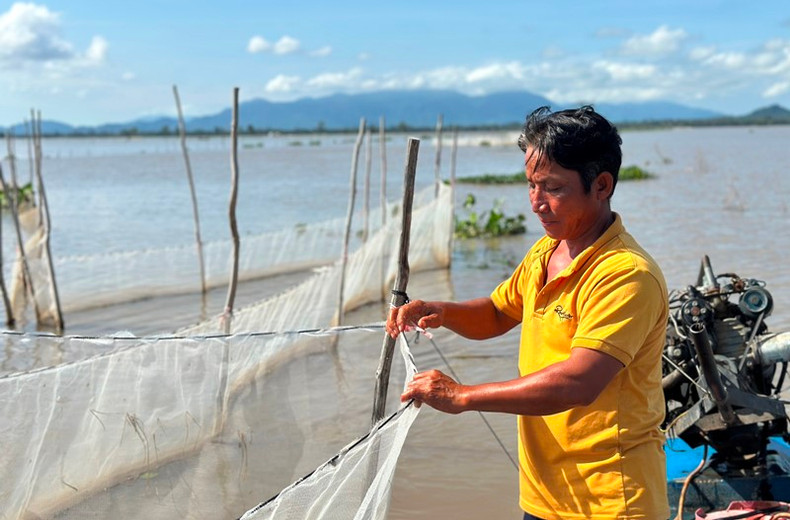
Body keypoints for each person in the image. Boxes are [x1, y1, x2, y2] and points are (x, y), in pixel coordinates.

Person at [386, 105, 669, 520]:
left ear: (602, 185)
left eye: (553, 188)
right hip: (543, 495)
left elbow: (578, 382)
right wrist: (440, 310)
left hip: (611, 500)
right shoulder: (548, 250)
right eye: (531, 186)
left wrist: (461, 395)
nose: (537, 203)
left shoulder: (626, 275)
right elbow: (498, 313)